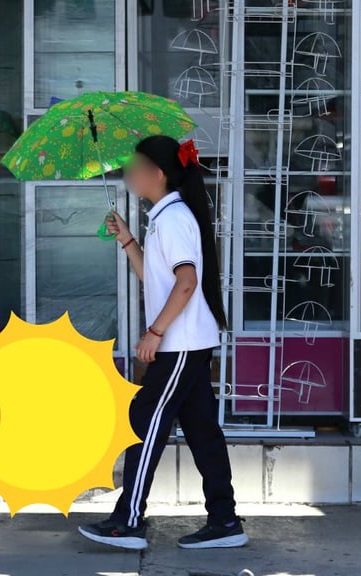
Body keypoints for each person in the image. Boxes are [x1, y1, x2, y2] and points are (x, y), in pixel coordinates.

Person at [78, 136, 247, 551]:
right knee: (203, 432)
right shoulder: (166, 217)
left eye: (134, 166)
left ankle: (128, 520)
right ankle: (224, 521)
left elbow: (186, 283)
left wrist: (154, 333)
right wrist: (128, 241)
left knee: (146, 425)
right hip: (188, 343)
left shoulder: (172, 219)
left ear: (157, 174)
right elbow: (160, 281)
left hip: (180, 345)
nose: (128, 173)